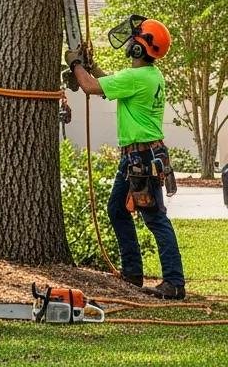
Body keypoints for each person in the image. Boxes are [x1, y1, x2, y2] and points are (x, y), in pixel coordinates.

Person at [65, 16, 186, 300]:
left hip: (141, 157)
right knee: (117, 209)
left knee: (155, 217)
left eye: (135, 40)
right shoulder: (149, 76)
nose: (130, 42)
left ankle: (175, 281)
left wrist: (75, 63)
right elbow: (111, 82)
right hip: (137, 157)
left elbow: (91, 87)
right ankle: (132, 273)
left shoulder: (137, 78)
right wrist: (91, 65)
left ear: (139, 49)